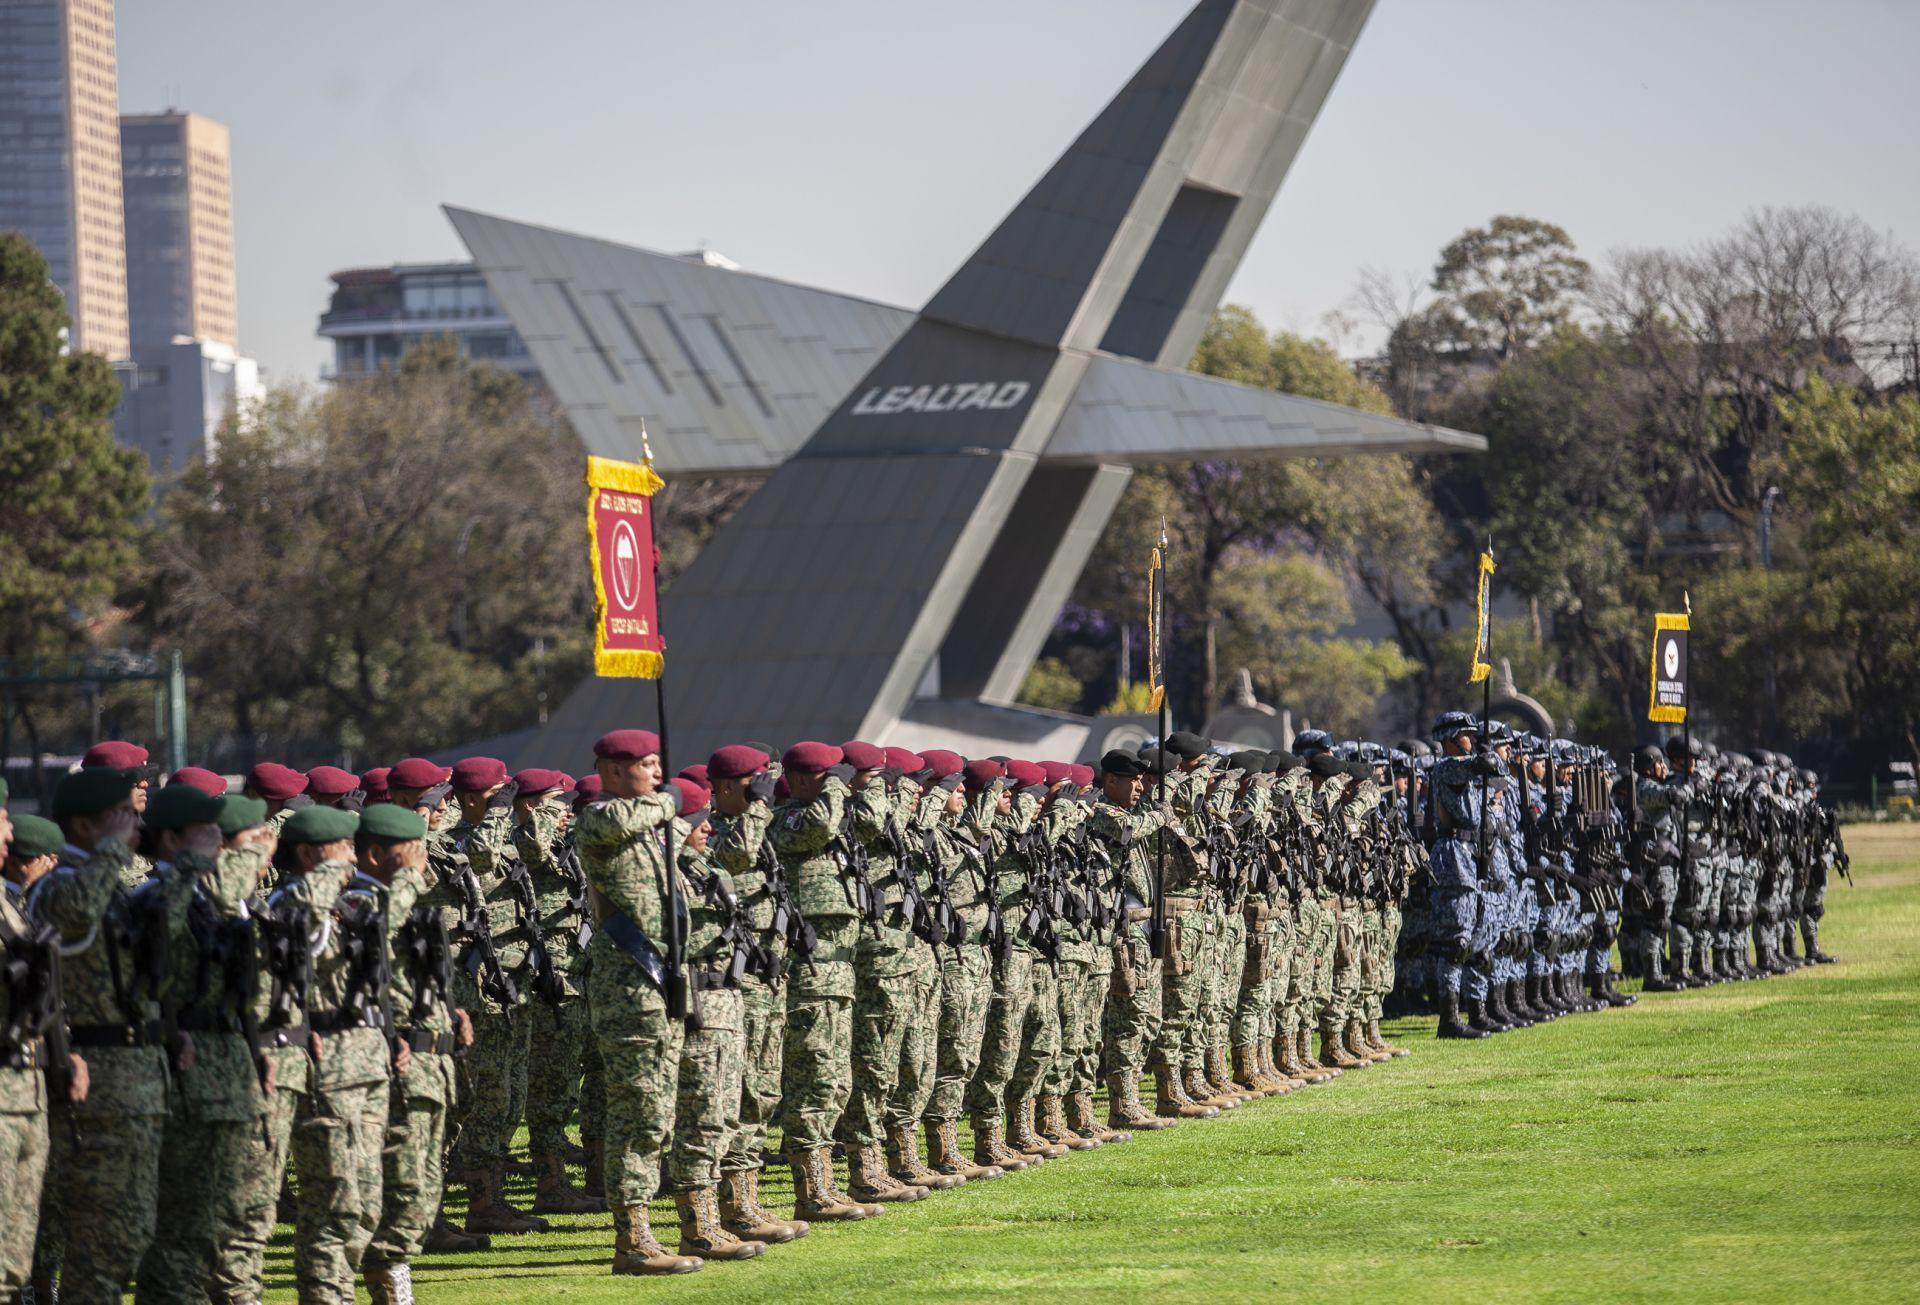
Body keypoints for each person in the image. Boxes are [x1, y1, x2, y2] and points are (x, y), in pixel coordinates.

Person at [133, 783, 271, 1303]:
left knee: (223, 1215)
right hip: (185, 1075)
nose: (220, 840)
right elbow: (144, 983)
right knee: (182, 1227)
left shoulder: (209, 899)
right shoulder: (156, 898)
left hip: (226, 1067)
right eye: (206, 831)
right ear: (172, 840)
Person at [576, 728, 701, 1275]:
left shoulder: (651, 828)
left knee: (658, 1111)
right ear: (611, 771)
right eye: (646, 764)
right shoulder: (600, 818)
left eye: (657, 764)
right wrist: (670, 800)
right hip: (628, 985)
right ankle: (631, 1239)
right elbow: (641, 814)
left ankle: (650, 1229)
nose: (657, 774)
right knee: (637, 1110)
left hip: (660, 983)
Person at [357, 802, 474, 1304]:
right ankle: (388, 1285)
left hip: (432, 1066)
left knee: (423, 1190)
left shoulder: (404, 904)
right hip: (398, 1067)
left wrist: (450, 1013)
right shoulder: (360, 902)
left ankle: (395, 1275)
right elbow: (371, 946)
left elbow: (409, 979)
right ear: (376, 854)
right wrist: (406, 881)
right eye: (412, 850)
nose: (422, 859)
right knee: (401, 1189)